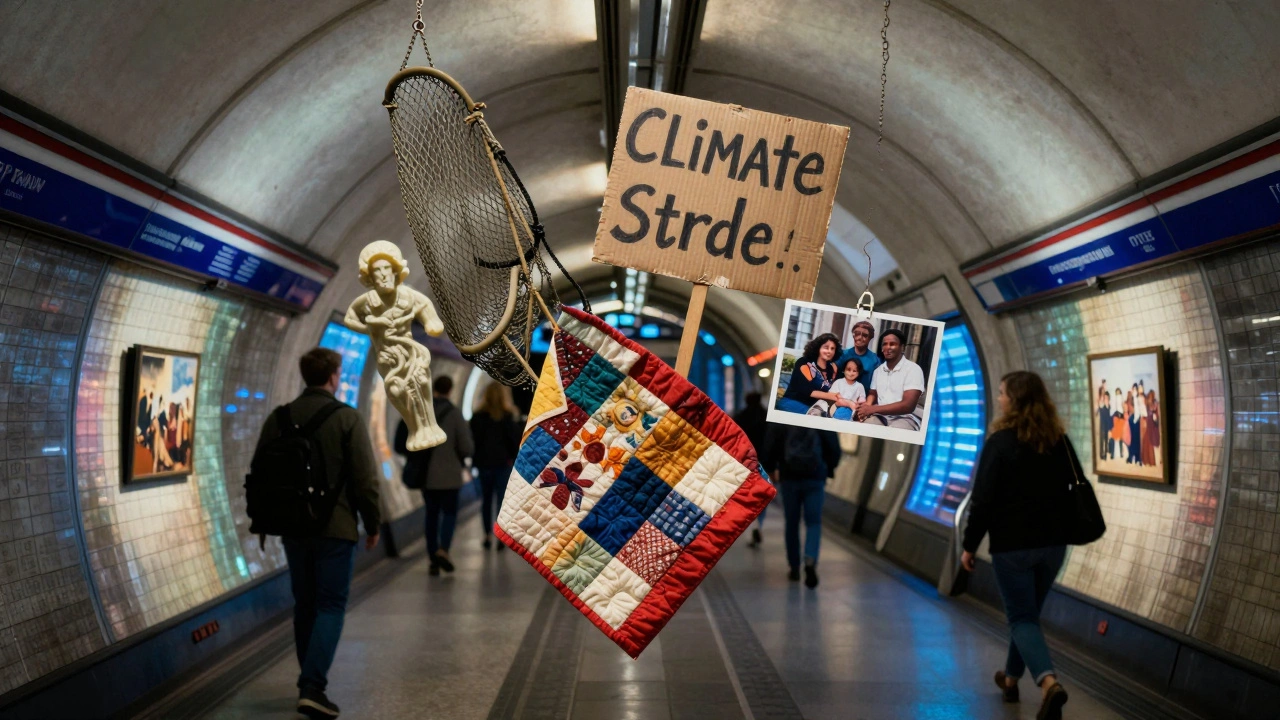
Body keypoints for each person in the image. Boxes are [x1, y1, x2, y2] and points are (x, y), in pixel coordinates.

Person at [253, 348, 381, 719]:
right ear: (334, 376)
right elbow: (365, 480)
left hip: (292, 526)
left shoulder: (278, 419)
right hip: (335, 528)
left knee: (305, 603)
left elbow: (260, 472)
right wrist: (372, 524)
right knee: (330, 604)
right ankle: (312, 687)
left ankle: (308, 681)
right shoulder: (346, 418)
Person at [961, 371, 1079, 720]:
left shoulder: (1000, 442)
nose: (999, 399)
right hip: (1053, 545)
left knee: (1022, 617)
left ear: (1014, 401)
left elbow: (982, 501)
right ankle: (1011, 681)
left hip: (1012, 546)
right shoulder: (1058, 440)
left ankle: (1048, 685)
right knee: (1026, 616)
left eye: (1002, 394)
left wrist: (969, 545)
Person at [761, 424, 840, 588]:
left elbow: (770, 445)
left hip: (789, 477)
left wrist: (771, 468)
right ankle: (810, 560)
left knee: (792, 523)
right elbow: (834, 447)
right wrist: (829, 468)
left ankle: (794, 567)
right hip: (815, 476)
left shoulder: (784, 415)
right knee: (814, 522)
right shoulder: (821, 417)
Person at [422, 375, 474, 575]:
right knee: (449, 514)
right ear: (451, 389)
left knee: (431, 515)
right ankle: (444, 550)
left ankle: (432, 558)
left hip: (426, 475)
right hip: (450, 476)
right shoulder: (454, 414)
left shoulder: (422, 413)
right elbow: (467, 447)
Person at [470, 382, 521, 550]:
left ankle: (486, 535)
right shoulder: (507, 416)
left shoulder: (477, 417)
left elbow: (473, 442)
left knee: (486, 501)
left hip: (483, 464)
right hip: (503, 464)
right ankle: (500, 536)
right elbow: (514, 441)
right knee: (501, 502)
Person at [856, 329, 925, 429]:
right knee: (866, 427)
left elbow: (908, 406)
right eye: (885, 344)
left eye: (892, 344)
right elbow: (873, 393)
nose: (887, 347)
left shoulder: (913, 369)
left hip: (906, 417)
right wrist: (865, 408)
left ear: (902, 348)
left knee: (897, 431)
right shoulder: (878, 371)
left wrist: (872, 409)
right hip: (880, 415)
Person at [734, 392, 769, 547]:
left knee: (748, 496)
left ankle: (752, 526)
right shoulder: (766, 417)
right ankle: (758, 525)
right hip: (763, 463)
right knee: (761, 497)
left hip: (745, 463)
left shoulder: (740, 417)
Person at [776, 333, 841, 414]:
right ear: (818, 348)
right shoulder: (804, 362)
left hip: (814, 408)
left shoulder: (831, 369)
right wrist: (832, 396)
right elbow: (806, 390)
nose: (829, 351)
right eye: (826, 347)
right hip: (792, 403)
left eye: (832, 349)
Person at [834, 320, 881, 395]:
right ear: (853, 335)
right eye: (857, 333)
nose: (860, 337)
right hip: (840, 397)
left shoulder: (875, 360)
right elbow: (833, 372)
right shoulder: (843, 354)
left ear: (870, 338)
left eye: (865, 335)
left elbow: (876, 387)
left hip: (862, 399)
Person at [1142, 390, 1160, 467]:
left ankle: (1153, 461)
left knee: (1152, 443)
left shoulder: (1155, 405)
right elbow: (1146, 415)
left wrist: (1155, 418)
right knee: (1146, 442)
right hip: (1149, 426)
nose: (1149, 399)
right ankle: (1147, 461)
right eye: (1149, 397)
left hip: (1153, 427)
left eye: (1151, 397)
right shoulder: (1147, 406)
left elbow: (1157, 417)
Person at [1096, 390, 1113, 461]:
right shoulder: (1101, 405)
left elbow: (1110, 416)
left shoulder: (1109, 406)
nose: (1106, 399)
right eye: (1105, 397)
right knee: (1102, 441)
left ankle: (1105, 455)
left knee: (1107, 440)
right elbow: (1097, 413)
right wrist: (1099, 406)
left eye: (1107, 398)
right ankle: (1101, 455)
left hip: (1107, 425)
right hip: (1102, 425)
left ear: (1109, 398)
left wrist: (1110, 428)